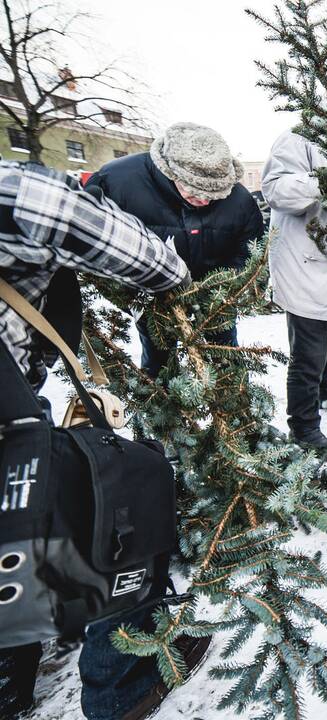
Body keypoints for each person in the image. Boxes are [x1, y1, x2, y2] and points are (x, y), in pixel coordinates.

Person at [0, 161, 207, 720]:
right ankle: (121, 685)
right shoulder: (17, 191)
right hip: (7, 420)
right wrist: (179, 279)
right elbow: (146, 258)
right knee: (130, 501)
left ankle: (11, 677)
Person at [85, 122, 264, 377]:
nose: (203, 200)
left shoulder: (239, 200)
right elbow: (92, 241)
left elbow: (249, 255)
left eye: (213, 195)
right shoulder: (117, 183)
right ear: (170, 172)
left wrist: (221, 293)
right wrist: (134, 294)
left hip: (214, 302)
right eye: (194, 192)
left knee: (226, 366)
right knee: (159, 368)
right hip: (152, 301)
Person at [261, 130, 327, 453]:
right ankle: (303, 426)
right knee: (308, 357)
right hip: (303, 271)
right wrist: (326, 181)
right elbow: (276, 190)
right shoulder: (296, 141)